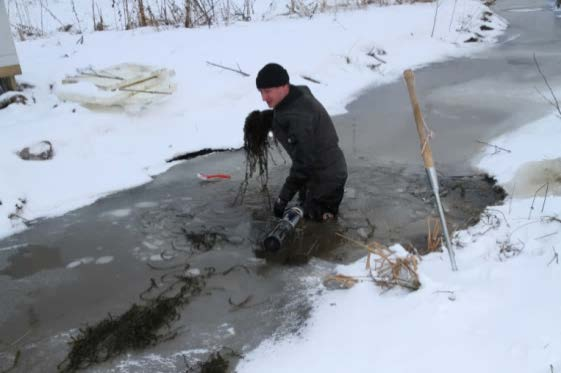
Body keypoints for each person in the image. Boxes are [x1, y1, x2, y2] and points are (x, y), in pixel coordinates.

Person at [255, 63, 347, 222]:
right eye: (261, 92)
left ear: (283, 86)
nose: (263, 97)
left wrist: (283, 198)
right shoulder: (297, 93)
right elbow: (290, 112)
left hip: (326, 178)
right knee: (304, 212)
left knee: (316, 228)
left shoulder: (299, 118)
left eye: (267, 91)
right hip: (320, 172)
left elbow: (303, 164)